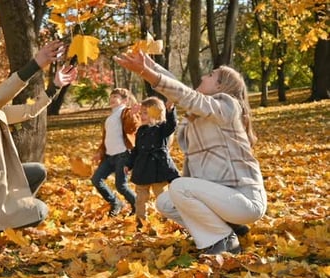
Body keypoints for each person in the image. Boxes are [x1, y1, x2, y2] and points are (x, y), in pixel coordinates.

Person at [114, 51, 266, 255]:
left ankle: (222, 240)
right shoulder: (200, 116)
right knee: (165, 202)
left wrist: (147, 72)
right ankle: (230, 228)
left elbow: (188, 96)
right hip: (224, 202)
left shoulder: (228, 107)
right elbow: (184, 92)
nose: (204, 77)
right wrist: (152, 67)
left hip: (245, 202)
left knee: (179, 186)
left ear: (221, 87)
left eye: (211, 75)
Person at [0, 40, 78, 250]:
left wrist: (55, 86)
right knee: (40, 211)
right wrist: (36, 63)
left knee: (37, 171)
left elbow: (30, 111)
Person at [124, 96, 180, 231]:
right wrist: (129, 164)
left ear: (156, 113)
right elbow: (136, 150)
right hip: (142, 168)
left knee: (162, 197)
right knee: (140, 198)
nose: (141, 116)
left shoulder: (162, 129)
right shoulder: (141, 131)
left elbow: (172, 125)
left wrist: (170, 110)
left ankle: (169, 220)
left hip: (158, 168)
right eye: (141, 112)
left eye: (145, 112)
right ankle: (140, 221)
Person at [91, 88, 140, 217]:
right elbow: (106, 139)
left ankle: (138, 206)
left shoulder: (126, 113)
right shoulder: (110, 118)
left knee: (121, 186)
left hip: (123, 155)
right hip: (109, 156)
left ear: (125, 100)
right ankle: (115, 202)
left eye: (116, 96)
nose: (112, 99)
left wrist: (133, 115)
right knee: (96, 179)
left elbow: (132, 127)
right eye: (111, 96)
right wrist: (99, 152)